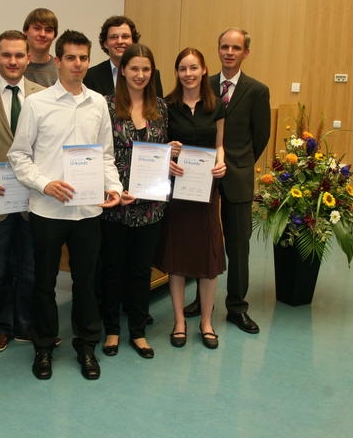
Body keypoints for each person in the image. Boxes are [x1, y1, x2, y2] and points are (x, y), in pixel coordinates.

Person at [8, 30, 123, 381]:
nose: (77, 64)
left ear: (89, 61)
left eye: (83, 58)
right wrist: (45, 183)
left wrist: (114, 187)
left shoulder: (98, 103)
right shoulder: (37, 103)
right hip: (47, 210)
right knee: (44, 283)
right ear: (58, 61)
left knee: (85, 283)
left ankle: (86, 346)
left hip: (87, 212)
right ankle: (43, 347)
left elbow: (105, 155)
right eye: (70, 58)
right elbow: (19, 155)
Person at [183, 28, 270, 334]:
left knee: (238, 245)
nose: (229, 52)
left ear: (246, 52)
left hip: (237, 177)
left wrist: (239, 163)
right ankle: (201, 301)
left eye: (236, 47)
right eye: (224, 47)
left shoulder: (257, 91)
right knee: (202, 240)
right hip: (201, 175)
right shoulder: (202, 84)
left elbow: (261, 136)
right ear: (218, 50)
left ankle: (237, 307)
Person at [0, 30, 45, 352]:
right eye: (6, 55)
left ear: (28, 58)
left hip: (33, 197)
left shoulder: (43, 95)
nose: (13, 61)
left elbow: (48, 146)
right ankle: (0, 326)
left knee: (29, 268)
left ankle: (24, 324)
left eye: (19, 55)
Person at [99, 44, 167, 360]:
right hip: (116, 203)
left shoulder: (161, 108)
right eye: (134, 68)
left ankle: (138, 332)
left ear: (152, 73)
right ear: (123, 70)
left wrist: (172, 152)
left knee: (141, 271)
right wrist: (114, 188)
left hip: (150, 205)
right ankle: (112, 329)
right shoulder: (106, 106)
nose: (140, 75)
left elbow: (162, 150)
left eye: (146, 69)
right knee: (112, 269)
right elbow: (101, 154)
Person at [156, 48, 227, 349]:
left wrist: (222, 163)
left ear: (204, 70)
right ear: (177, 72)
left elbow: (220, 145)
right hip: (178, 191)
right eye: (183, 68)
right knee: (179, 258)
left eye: (193, 68)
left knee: (208, 256)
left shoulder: (216, 105)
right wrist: (168, 154)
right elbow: (158, 145)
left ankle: (207, 322)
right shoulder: (167, 105)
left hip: (207, 190)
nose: (188, 74)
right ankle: (179, 321)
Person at [83, 15, 164, 98]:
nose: (120, 41)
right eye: (114, 37)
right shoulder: (90, 76)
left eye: (125, 36)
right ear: (105, 43)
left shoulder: (152, 75)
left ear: (133, 41)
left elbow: (157, 104)